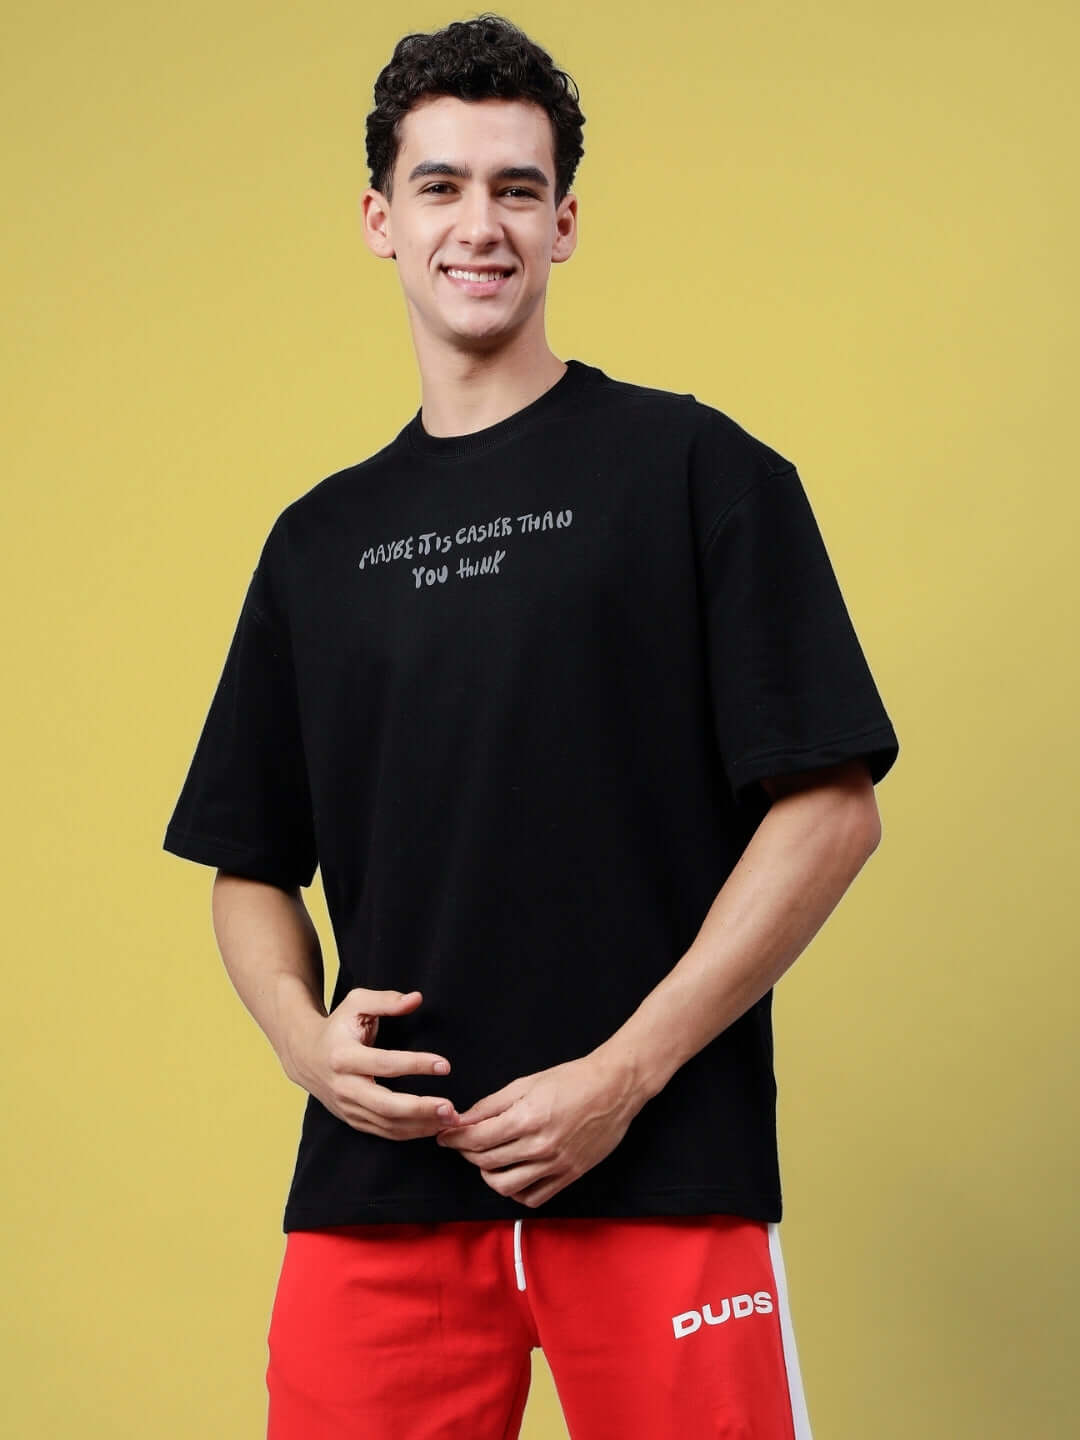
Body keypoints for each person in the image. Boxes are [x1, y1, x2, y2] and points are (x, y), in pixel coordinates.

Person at [162, 13, 899, 1439]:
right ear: (381, 219)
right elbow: (246, 860)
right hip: (380, 1195)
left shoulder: (698, 471)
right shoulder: (319, 544)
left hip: (657, 1168)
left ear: (566, 221)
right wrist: (307, 1049)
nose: (479, 223)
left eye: (516, 188)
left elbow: (832, 808)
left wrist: (622, 1078)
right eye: (441, 185)